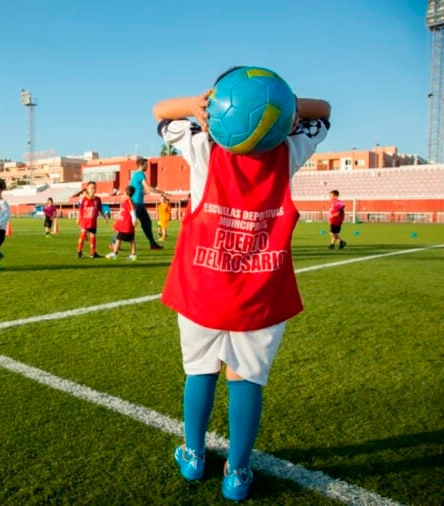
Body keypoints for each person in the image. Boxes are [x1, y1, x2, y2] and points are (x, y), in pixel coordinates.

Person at [153, 69, 331, 502]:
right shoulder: (292, 148)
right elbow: (324, 111)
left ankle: (193, 455)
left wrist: (199, 105)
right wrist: (282, 106)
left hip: (202, 288)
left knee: (199, 370)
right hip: (261, 291)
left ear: (215, 113)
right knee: (246, 378)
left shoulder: (201, 147)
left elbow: (160, 114)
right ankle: (237, 471)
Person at [130, 156, 168, 250]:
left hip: (138, 203)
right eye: (146, 165)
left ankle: (152, 244)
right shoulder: (140, 174)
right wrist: (162, 192)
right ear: (141, 165)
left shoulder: (136, 174)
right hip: (136, 204)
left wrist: (143, 192)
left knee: (146, 223)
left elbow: (138, 188)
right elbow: (149, 187)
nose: (147, 167)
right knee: (130, 224)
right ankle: (114, 242)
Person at [106, 185, 137, 261]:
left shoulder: (128, 201)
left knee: (118, 238)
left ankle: (115, 253)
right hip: (126, 224)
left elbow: (132, 211)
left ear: (126, 193)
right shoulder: (127, 201)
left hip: (126, 225)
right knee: (131, 240)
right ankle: (133, 254)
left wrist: (134, 220)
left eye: (124, 193)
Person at [76, 181, 107, 258]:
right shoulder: (83, 199)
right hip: (85, 221)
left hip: (93, 221)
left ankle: (92, 253)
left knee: (93, 236)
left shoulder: (98, 199)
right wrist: (78, 219)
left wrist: (104, 217)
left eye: (95, 188)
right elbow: (80, 210)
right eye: (92, 188)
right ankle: (79, 251)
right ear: (88, 189)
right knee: (83, 235)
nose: (93, 190)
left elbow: (100, 210)